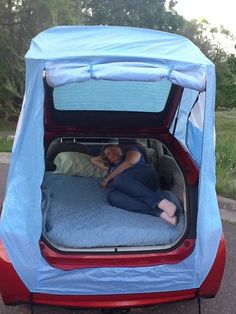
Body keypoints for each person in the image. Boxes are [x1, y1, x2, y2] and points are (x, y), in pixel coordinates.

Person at [91, 144, 178, 225]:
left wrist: (107, 179)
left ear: (119, 148)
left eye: (113, 149)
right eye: (108, 154)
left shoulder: (131, 151)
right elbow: (93, 160)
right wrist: (105, 156)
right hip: (131, 190)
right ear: (107, 158)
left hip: (146, 178)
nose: (112, 153)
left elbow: (130, 162)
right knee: (112, 196)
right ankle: (160, 213)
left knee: (118, 179)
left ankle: (161, 202)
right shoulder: (111, 167)